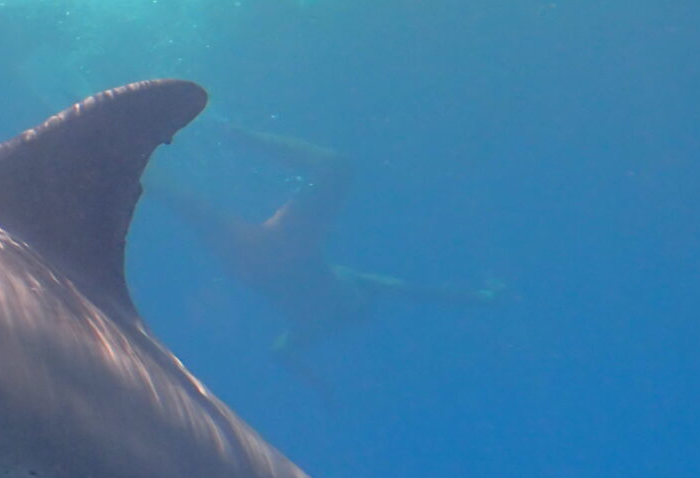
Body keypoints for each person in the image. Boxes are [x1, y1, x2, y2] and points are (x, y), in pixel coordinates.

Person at [152, 124, 505, 374]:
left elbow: (422, 293)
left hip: (285, 250)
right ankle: (218, 138)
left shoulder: (354, 294)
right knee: (181, 201)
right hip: (257, 264)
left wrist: (482, 295)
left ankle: (233, 134)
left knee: (335, 167)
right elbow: (281, 352)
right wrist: (314, 381)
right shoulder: (318, 325)